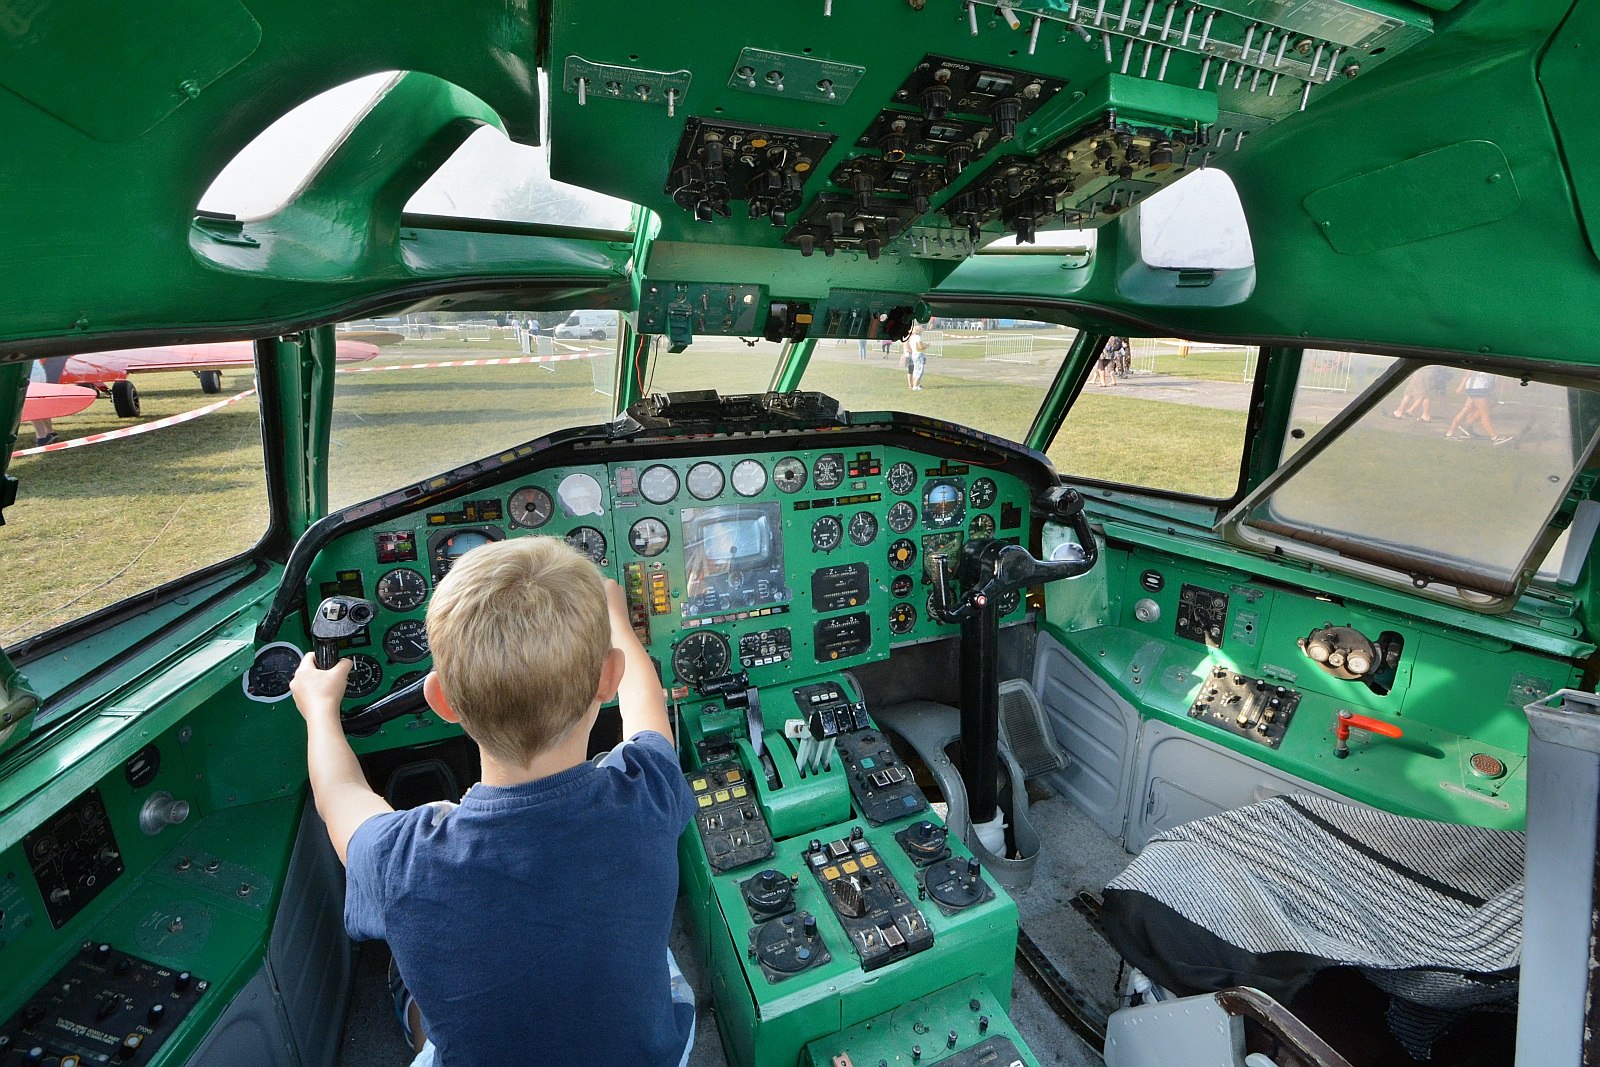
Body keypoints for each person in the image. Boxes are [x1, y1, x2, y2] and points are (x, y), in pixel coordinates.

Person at [290, 537, 695, 1067]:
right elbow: (647, 708)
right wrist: (615, 616)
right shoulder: (650, 789)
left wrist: (320, 709)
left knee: (407, 979)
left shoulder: (399, 858)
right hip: (648, 1057)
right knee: (657, 956)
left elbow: (337, 793)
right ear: (607, 678)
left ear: (441, 701)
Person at [1444, 369, 1512, 444]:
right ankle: (1494, 437)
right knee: (1484, 413)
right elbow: (1469, 371)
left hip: (1479, 388)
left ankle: (1452, 432)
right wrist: (1461, 386)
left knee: (1467, 409)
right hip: (1478, 388)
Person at [903, 323, 927, 390]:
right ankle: (915, 385)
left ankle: (915, 385)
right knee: (919, 370)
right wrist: (926, 346)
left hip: (914, 354)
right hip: (918, 354)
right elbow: (920, 346)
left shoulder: (912, 337)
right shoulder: (917, 337)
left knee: (915, 370)